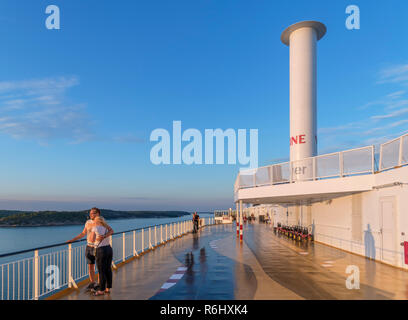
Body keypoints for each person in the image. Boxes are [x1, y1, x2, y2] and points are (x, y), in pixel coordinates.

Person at [67, 207, 100, 290]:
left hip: (98, 247)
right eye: (90, 213)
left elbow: (107, 231)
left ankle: (100, 284)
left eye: (93, 213)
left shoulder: (101, 222)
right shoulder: (88, 222)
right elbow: (83, 233)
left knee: (100, 267)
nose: (90, 214)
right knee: (90, 266)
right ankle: (93, 283)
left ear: (97, 214)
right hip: (88, 247)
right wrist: (72, 240)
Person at [90, 216, 114, 296]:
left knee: (101, 271)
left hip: (101, 250)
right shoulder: (106, 228)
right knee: (108, 269)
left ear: (96, 221)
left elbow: (91, 240)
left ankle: (101, 290)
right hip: (109, 249)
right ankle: (108, 288)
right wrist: (104, 236)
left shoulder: (95, 228)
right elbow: (112, 231)